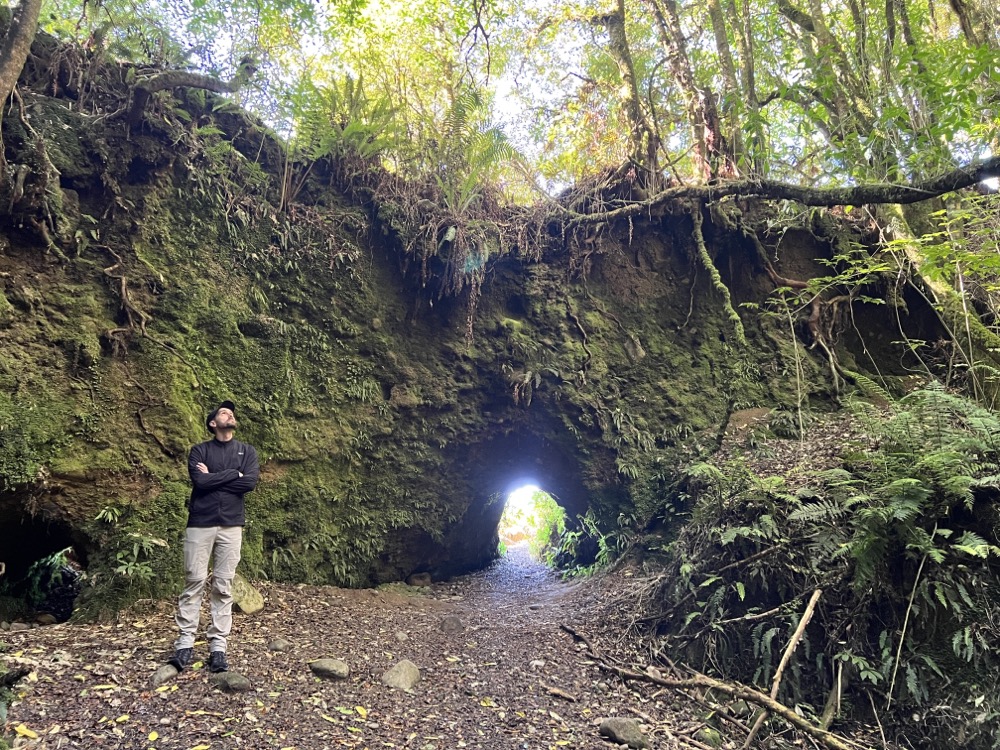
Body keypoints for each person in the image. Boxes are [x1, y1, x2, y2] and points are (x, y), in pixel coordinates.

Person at [169, 400, 259, 674]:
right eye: (223, 412)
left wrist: (219, 476)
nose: (229, 414)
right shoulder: (200, 450)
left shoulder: (247, 451)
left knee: (223, 585)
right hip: (200, 523)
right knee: (194, 580)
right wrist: (234, 474)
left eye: (231, 412)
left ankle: (218, 647)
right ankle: (184, 643)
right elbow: (201, 482)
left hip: (232, 526)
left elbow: (250, 483)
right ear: (212, 423)